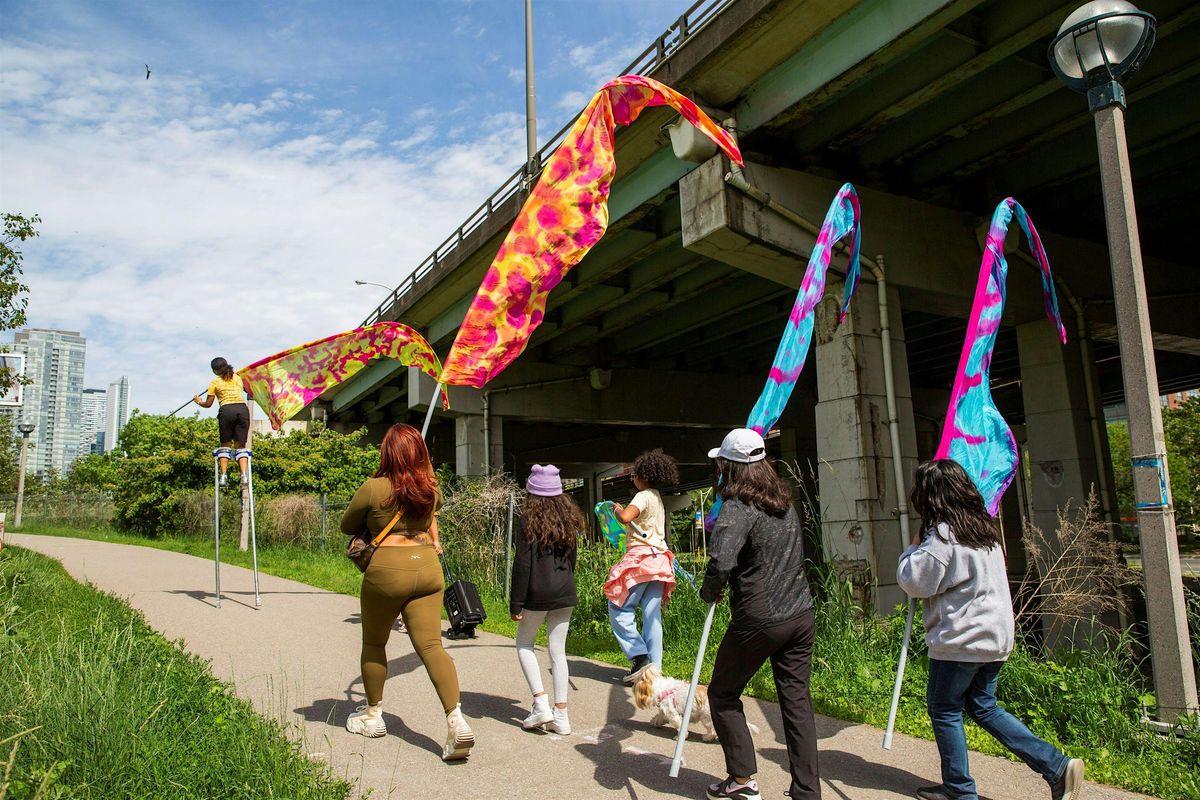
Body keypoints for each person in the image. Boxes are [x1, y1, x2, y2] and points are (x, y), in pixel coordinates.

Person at [898, 459, 1084, 800]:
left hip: (961, 641)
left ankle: (959, 789)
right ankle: (1055, 765)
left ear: (930, 497)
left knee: (945, 710)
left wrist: (912, 547)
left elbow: (915, 581)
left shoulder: (943, 536)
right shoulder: (984, 530)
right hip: (995, 637)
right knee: (983, 706)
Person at [339, 423, 474, 762]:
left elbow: (345, 525)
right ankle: (456, 718)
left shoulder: (373, 487)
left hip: (387, 570)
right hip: (427, 566)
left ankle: (372, 716)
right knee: (431, 646)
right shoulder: (432, 489)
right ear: (420, 454)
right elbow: (431, 507)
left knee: (374, 643)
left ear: (388, 453)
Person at [700, 428, 817, 800]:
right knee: (796, 702)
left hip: (761, 617)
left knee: (722, 693)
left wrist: (710, 590)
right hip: (800, 614)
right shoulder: (783, 501)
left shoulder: (737, 506)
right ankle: (807, 792)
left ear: (729, 466)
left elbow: (721, 560)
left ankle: (742, 779)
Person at [510, 464, 581, 735]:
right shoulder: (570, 519)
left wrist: (516, 601)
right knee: (557, 651)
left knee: (525, 644)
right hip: (565, 589)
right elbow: (573, 558)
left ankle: (540, 703)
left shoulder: (527, 519)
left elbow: (523, 562)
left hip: (536, 592)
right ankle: (561, 715)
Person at [603, 448, 679, 683]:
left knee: (619, 607)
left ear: (641, 477)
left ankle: (639, 656)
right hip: (659, 561)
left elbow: (625, 518)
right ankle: (654, 671)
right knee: (651, 615)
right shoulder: (658, 499)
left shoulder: (643, 495)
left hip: (641, 561)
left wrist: (616, 509)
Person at [193, 357, 249, 489]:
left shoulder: (214, 382)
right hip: (242, 410)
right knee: (241, 446)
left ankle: (223, 475)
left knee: (225, 445)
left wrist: (198, 401)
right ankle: (243, 475)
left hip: (227, 410)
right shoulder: (238, 378)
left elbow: (208, 404)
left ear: (215, 370)